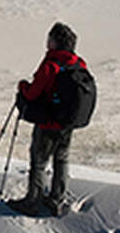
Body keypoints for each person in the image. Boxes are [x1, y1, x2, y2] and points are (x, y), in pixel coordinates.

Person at [16, 22, 82, 215]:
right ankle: (57, 198)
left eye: (50, 39)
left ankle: (32, 201)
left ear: (55, 42)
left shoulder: (51, 65)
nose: (47, 42)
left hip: (48, 123)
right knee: (61, 159)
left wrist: (22, 87)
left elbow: (32, 93)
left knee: (38, 161)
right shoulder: (78, 63)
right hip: (67, 123)